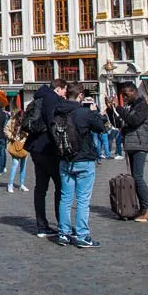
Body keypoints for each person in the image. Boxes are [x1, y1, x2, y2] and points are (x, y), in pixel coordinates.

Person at [54, 83, 107, 248]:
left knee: (65, 198)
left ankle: (64, 233)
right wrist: (95, 113)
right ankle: (82, 235)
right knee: (83, 199)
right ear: (80, 96)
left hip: (64, 158)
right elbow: (101, 128)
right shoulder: (84, 113)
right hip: (83, 159)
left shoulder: (58, 112)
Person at [26, 79, 67, 238]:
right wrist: (60, 146)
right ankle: (61, 223)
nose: (64, 94)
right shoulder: (52, 99)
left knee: (40, 187)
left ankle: (41, 225)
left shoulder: (39, 97)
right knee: (60, 186)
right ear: (58, 88)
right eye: (64, 90)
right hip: (48, 148)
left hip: (36, 147)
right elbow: (53, 124)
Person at [116, 82, 148, 222]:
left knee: (138, 177)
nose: (125, 98)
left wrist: (120, 109)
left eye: (126, 95)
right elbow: (123, 123)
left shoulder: (142, 105)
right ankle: (142, 208)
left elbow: (134, 120)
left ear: (133, 91)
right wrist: (112, 110)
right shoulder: (132, 106)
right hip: (131, 144)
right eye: (123, 95)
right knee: (134, 177)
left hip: (139, 144)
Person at [5, 112, 29, 193]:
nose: (21, 119)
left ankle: (22, 184)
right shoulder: (12, 121)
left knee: (23, 165)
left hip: (24, 144)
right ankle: (10, 184)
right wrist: (12, 136)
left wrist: (26, 135)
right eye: (20, 118)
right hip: (14, 144)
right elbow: (6, 129)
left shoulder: (27, 122)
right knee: (15, 164)